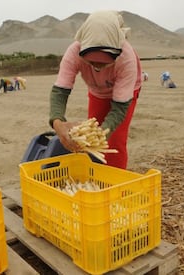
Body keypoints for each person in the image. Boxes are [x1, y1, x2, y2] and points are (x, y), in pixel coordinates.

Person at [49, 10, 142, 169]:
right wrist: (57, 122)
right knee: (90, 140)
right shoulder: (74, 52)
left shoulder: (126, 59)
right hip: (98, 92)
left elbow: (120, 107)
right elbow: (60, 90)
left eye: (105, 63)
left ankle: (114, 182)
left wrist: (103, 132)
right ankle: (94, 174)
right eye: (92, 62)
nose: (98, 67)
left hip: (125, 94)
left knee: (113, 140)